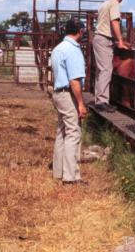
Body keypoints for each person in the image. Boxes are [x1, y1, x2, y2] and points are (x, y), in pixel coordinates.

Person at [51, 18, 88, 184]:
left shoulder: (58, 48)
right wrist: (80, 103)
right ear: (80, 31)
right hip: (68, 94)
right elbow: (74, 81)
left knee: (62, 131)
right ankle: (70, 176)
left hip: (58, 92)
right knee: (73, 132)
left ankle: (58, 171)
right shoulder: (73, 50)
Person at [92, 0, 128, 112]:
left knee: (101, 71)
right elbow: (114, 21)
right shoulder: (114, 4)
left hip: (98, 38)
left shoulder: (104, 3)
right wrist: (120, 41)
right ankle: (102, 101)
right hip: (104, 38)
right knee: (106, 70)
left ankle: (100, 99)